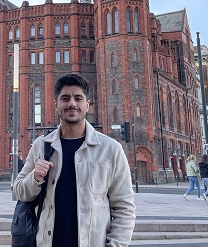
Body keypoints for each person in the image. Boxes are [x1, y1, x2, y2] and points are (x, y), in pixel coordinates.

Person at [13, 73, 136, 246]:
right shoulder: (41, 146)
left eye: (78, 98)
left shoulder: (110, 149)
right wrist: (34, 178)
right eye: (65, 98)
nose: (72, 103)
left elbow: (124, 207)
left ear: (87, 104)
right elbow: (19, 190)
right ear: (56, 105)